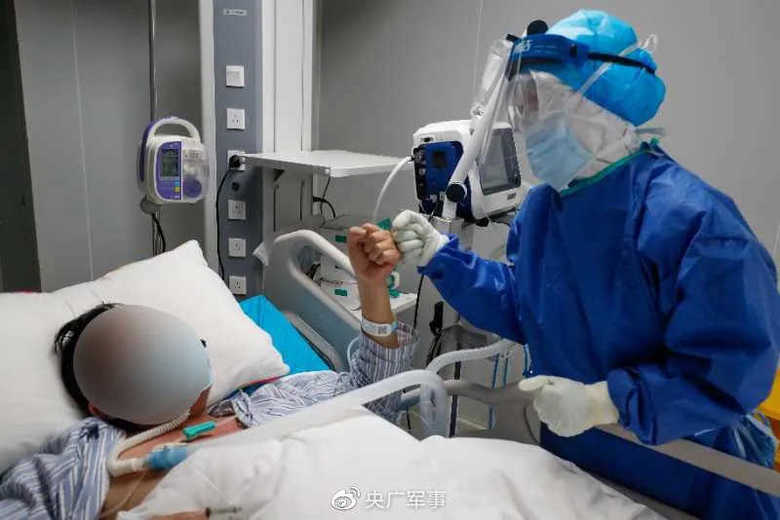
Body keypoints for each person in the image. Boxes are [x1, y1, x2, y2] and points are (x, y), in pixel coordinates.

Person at [392, 9, 780, 519]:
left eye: (541, 103)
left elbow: (731, 372)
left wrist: (608, 402)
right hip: (580, 463)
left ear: (603, 107)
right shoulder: (543, 208)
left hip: (692, 471)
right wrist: (444, 259)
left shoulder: (695, 223)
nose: (528, 122)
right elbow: (525, 306)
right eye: (522, 105)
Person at [0, 223, 410, 519]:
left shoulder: (276, 397)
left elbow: (378, 394)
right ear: (99, 407)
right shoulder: (76, 461)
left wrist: (371, 285)